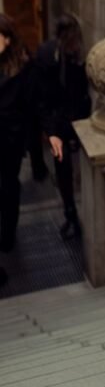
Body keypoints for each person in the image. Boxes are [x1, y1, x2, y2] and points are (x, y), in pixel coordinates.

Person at [35, 14, 91, 239]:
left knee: (77, 167)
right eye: (71, 41)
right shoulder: (46, 55)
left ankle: (76, 212)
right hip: (57, 122)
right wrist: (51, 132)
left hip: (77, 118)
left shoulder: (78, 56)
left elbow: (82, 91)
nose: (74, 45)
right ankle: (70, 213)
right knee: (62, 166)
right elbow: (41, 98)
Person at [0, 15, 32, 260]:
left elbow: (29, 104)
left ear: (7, 40)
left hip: (10, 139)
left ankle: (8, 233)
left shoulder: (21, 66)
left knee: (9, 186)